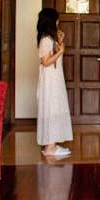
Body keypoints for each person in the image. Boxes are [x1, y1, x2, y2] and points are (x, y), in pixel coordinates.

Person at [36, 8, 73, 157]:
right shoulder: (45, 39)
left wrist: (60, 42)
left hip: (54, 79)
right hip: (50, 80)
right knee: (51, 107)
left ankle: (51, 144)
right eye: (56, 19)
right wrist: (61, 51)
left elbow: (52, 56)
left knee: (55, 107)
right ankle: (50, 147)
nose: (58, 22)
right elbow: (46, 62)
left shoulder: (49, 39)